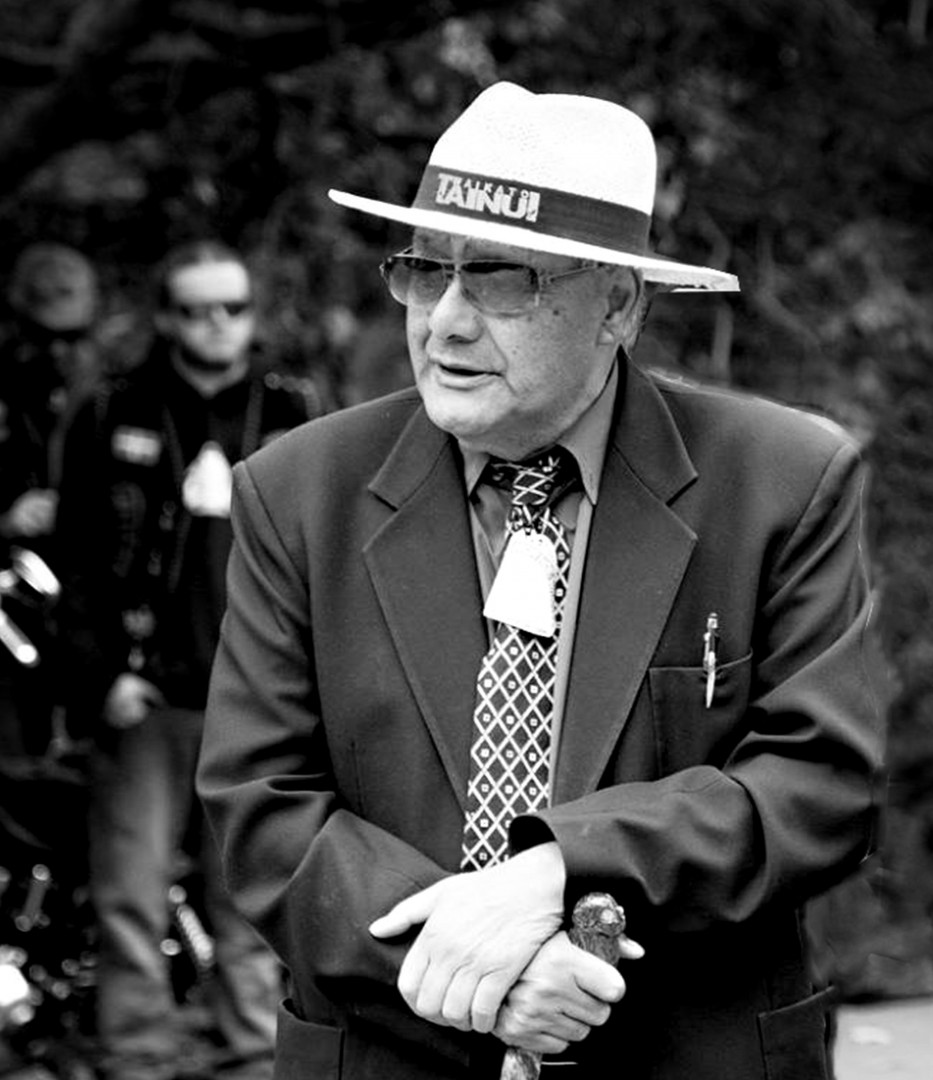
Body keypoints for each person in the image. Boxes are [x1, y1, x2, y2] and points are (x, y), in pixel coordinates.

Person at [196, 82, 888, 1080]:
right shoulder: (298, 492)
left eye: (500, 280)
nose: (444, 324)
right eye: (425, 271)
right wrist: (487, 978)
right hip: (392, 1051)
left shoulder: (779, 479)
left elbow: (821, 784)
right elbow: (262, 806)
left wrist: (561, 867)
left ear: (619, 304)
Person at [54, 240, 321, 1080]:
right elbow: (77, 560)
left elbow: (333, 555)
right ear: (166, 318)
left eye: (233, 307)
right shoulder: (112, 410)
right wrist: (103, 675)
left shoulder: (294, 408)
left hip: (259, 699)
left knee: (251, 897)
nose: (217, 324)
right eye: (197, 309)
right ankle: (138, 1056)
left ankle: (251, 1059)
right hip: (147, 695)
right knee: (129, 893)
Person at [0, 242, 103, 757]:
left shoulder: (110, 391)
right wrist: (6, 520)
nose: (59, 351)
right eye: (45, 336)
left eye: (73, 336)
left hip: (84, 597)